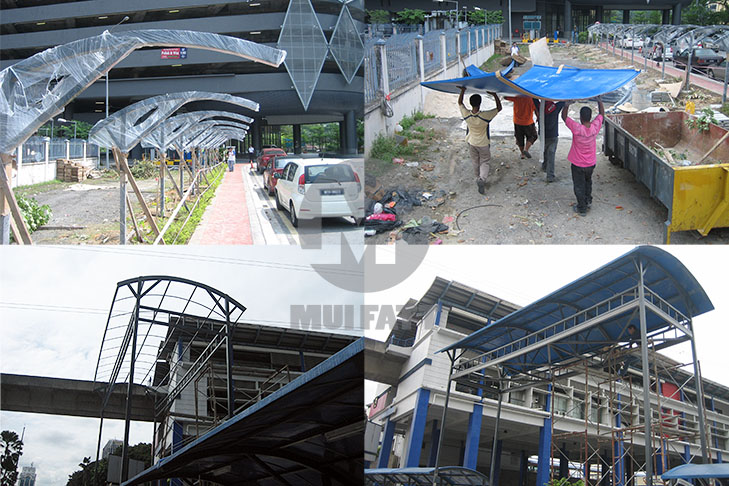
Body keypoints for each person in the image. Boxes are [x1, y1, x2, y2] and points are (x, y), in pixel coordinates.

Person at [561, 98, 605, 216]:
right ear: (590, 117)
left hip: (578, 164)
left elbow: (564, 117)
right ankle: (588, 201)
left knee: (579, 185)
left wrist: (567, 105)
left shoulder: (577, 128)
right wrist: (599, 101)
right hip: (590, 163)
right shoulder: (595, 128)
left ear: (580, 117)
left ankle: (582, 208)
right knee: (588, 182)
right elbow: (601, 115)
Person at [458, 86, 503, 194]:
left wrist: (463, 91)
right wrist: (494, 95)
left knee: (475, 161)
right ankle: (482, 179)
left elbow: (460, 103)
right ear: (480, 103)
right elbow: (499, 108)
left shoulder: (467, 115)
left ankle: (477, 177)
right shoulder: (484, 116)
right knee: (485, 161)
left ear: (470, 103)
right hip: (483, 143)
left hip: (471, 142)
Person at [533, 99, 565, 182]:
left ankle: (544, 166)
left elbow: (533, 98)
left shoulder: (541, 107)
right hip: (553, 135)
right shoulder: (556, 108)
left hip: (543, 135)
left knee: (544, 150)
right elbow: (564, 100)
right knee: (551, 154)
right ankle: (550, 176)